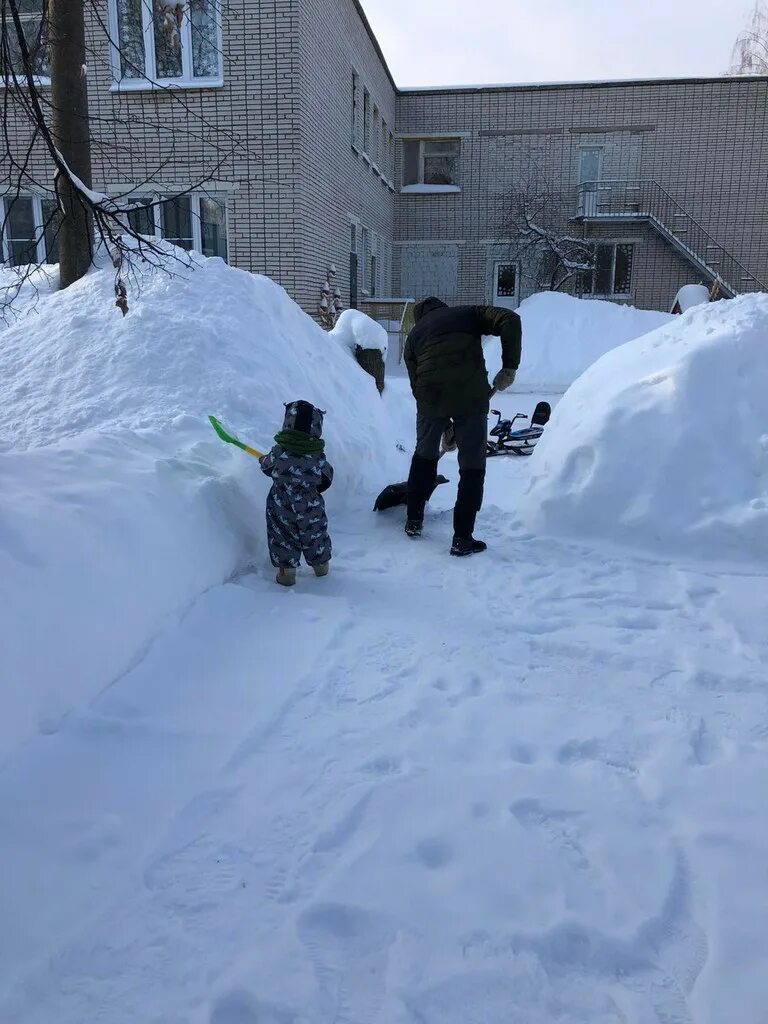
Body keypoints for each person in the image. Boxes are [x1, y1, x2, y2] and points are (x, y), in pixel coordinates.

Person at [403, 297, 522, 556]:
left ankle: (413, 521)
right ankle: (462, 539)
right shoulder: (467, 312)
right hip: (470, 395)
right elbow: (510, 319)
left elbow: (416, 385)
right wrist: (509, 367)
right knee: (472, 466)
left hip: (430, 397)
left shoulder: (414, 336)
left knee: (424, 455)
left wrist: (441, 425)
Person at [259, 400, 334, 586]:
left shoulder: (278, 452)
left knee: (282, 536)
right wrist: (313, 488)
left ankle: (286, 574)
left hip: (280, 504)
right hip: (311, 506)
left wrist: (263, 460)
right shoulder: (317, 457)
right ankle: (321, 566)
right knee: (315, 534)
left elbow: (267, 468)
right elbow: (327, 478)